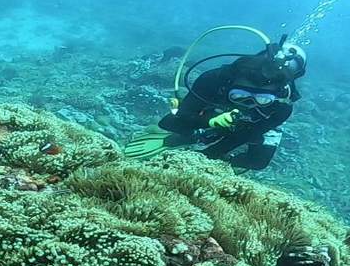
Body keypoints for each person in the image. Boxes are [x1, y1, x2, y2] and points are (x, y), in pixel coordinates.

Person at [125, 42, 307, 170]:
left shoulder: (282, 105)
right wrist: (211, 121)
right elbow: (180, 116)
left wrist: (204, 158)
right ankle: (191, 137)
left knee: (257, 162)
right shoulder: (214, 79)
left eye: (262, 99)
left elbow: (245, 136)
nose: (249, 103)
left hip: (254, 125)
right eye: (240, 96)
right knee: (170, 125)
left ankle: (224, 160)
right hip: (216, 113)